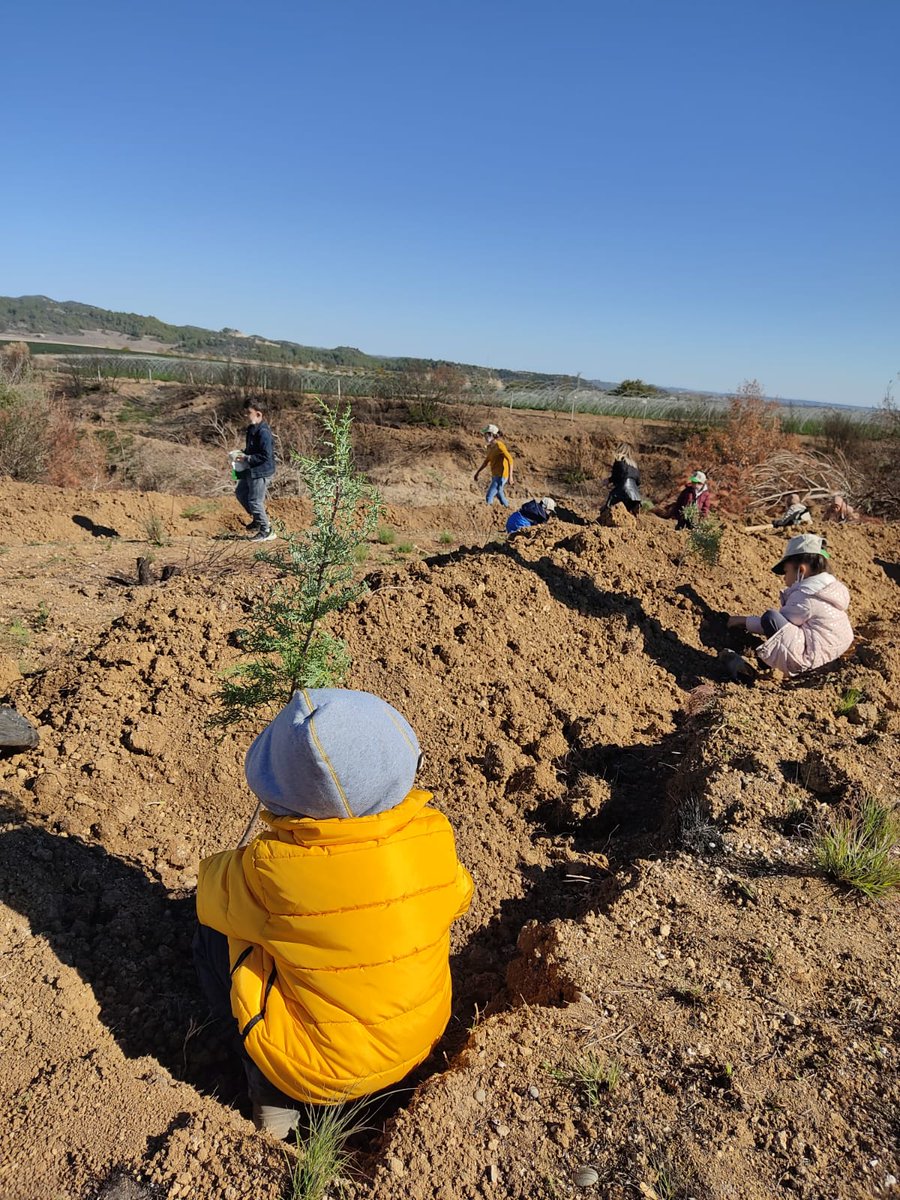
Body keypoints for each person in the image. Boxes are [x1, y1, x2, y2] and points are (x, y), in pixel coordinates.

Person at [193, 688, 474, 1138]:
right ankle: (386, 1096)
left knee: (216, 937)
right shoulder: (434, 836)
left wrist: (241, 861)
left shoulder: (269, 869)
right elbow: (460, 897)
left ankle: (272, 1104)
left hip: (311, 1070)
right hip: (420, 1038)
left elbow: (208, 898)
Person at [727, 533, 853, 675]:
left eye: (786, 572)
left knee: (771, 618)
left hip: (808, 660)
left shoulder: (806, 596)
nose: (785, 578)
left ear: (801, 570)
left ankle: (771, 664)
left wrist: (744, 621)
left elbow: (778, 625)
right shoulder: (828, 591)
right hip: (831, 653)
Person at [234, 400, 276, 542]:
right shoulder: (251, 429)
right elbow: (251, 449)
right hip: (251, 469)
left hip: (261, 471)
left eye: (249, 412)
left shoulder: (263, 432)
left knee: (255, 501)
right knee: (241, 493)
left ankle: (266, 530)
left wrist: (247, 458)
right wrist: (241, 454)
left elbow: (265, 455)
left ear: (258, 414)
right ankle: (258, 519)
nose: (246, 415)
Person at [473, 423, 514, 507]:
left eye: (486, 434)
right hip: (495, 475)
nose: (484, 436)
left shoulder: (500, 446)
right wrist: (477, 473)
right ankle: (508, 509)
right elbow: (486, 462)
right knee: (500, 495)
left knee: (489, 496)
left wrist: (510, 477)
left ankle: (487, 511)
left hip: (502, 475)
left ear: (491, 434)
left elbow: (510, 460)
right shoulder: (489, 447)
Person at [604, 444, 642, 515]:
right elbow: (638, 482)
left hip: (622, 491)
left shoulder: (619, 461)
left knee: (609, 510)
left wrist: (608, 481)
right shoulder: (634, 466)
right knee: (629, 514)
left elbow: (616, 476)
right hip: (635, 495)